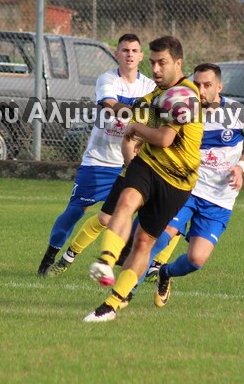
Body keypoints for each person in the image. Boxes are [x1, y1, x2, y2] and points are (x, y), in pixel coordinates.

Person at [84, 35, 203, 323]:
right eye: (152, 63)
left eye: (162, 63)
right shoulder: (154, 96)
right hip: (148, 165)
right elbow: (131, 124)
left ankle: (111, 305)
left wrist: (135, 128)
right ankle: (106, 261)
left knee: (143, 243)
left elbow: (164, 138)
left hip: (177, 181)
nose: (156, 69)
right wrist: (130, 145)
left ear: (178, 63)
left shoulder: (185, 95)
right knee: (126, 200)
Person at [146, 63, 244, 307]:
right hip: (186, 188)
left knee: (196, 259)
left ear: (219, 87)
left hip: (220, 199)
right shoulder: (183, 112)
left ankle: (165, 273)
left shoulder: (239, 113)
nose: (200, 90)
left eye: (207, 85)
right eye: (196, 84)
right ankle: (124, 293)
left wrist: (240, 167)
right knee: (160, 239)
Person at [37, 34, 155, 276]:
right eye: (125, 50)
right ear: (116, 54)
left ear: (141, 56)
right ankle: (49, 257)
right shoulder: (108, 79)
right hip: (100, 161)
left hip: (131, 163)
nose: (130, 54)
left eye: (134, 50)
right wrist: (140, 116)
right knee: (74, 211)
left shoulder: (149, 87)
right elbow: (110, 104)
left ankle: (137, 261)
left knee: (121, 216)